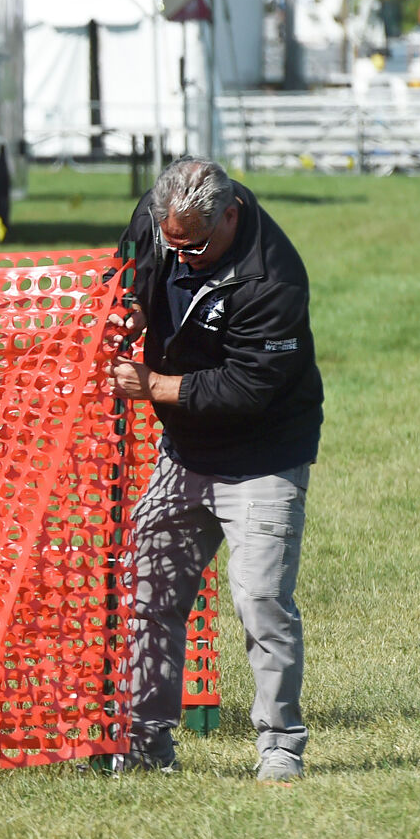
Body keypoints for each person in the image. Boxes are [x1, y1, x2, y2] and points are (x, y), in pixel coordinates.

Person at [99, 158, 323, 784]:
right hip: (183, 452)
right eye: (174, 244)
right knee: (149, 591)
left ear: (231, 216)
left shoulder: (272, 278)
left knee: (261, 602)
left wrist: (151, 384)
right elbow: (128, 276)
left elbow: (246, 389)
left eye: (196, 246)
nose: (184, 256)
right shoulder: (159, 219)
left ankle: (280, 747)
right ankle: (144, 745)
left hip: (263, 455)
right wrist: (133, 309)